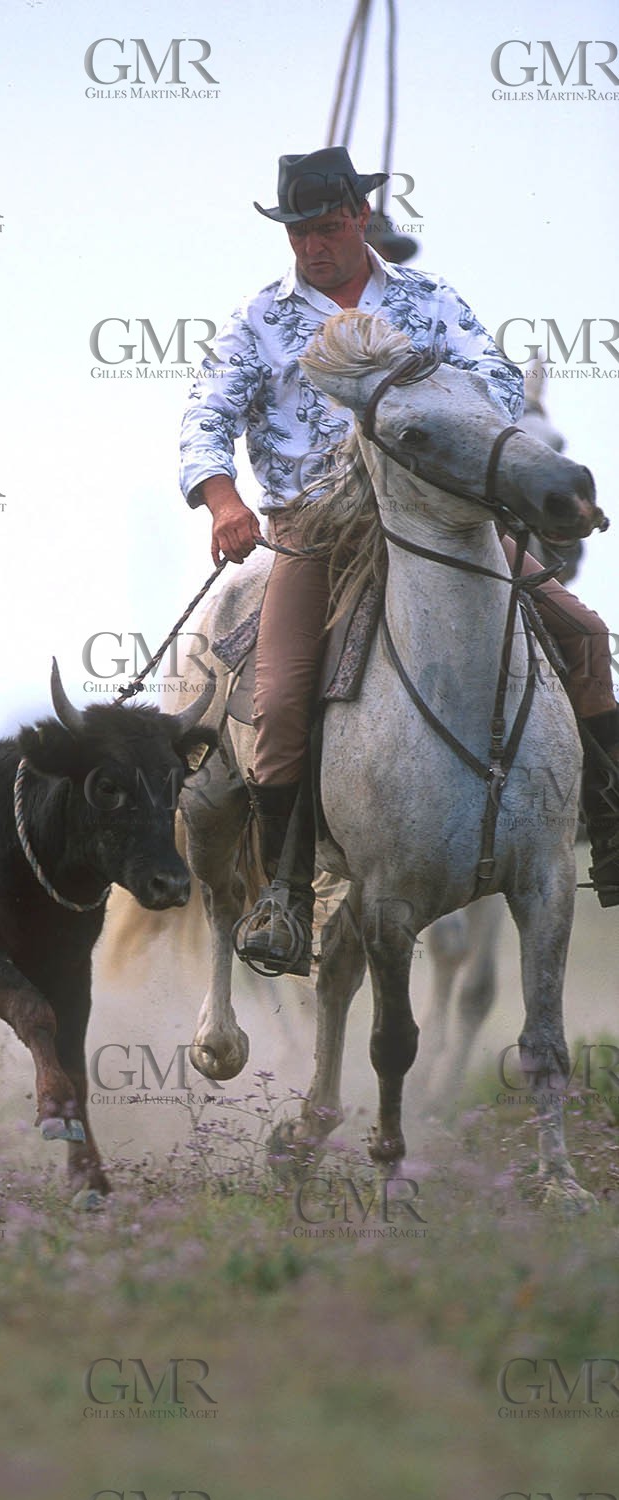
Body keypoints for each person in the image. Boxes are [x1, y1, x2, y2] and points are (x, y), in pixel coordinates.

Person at [179, 146, 619, 973]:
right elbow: (206, 414)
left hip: (444, 513)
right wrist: (224, 500)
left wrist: (437, 415)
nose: (315, 244)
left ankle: (612, 827)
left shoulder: (427, 300)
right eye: (300, 231)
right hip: (316, 526)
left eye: (330, 226)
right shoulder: (259, 320)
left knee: (586, 633)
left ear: (360, 219)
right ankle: (284, 892)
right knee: (275, 705)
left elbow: (493, 380)